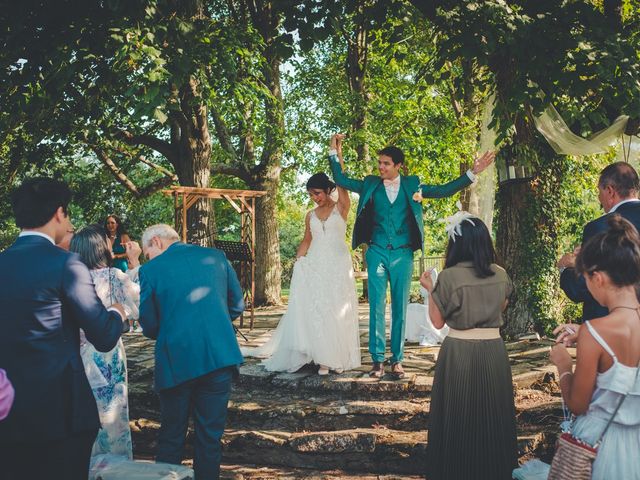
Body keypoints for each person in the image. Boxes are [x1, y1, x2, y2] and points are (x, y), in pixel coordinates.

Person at [328, 133, 494, 379]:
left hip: (403, 254)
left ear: (398, 166)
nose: (380, 167)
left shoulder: (412, 185)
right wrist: (334, 151)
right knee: (376, 305)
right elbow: (340, 178)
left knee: (399, 307)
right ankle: (377, 361)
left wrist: (473, 172)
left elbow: (443, 190)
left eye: (385, 163)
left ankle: (397, 359)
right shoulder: (370, 183)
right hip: (376, 251)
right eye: (379, 163)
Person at [0, 177, 126, 480]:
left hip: (7, 413)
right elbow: (104, 335)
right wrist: (116, 313)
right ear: (59, 213)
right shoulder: (66, 265)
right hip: (60, 411)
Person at [138, 224, 244, 479]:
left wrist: (173, 330)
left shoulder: (151, 269)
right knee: (210, 438)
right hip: (219, 358)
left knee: (171, 436)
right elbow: (237, 304)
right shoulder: (216, 257)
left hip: (177, 361)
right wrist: (212, 324)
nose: (146, 258)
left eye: (146, 252)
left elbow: (149, 324)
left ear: (156, 242)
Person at [419, 213, 517, 480]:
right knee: (493, 415)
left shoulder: (448, 277)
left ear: (456, 243)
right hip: (493, 350)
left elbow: (437, 323)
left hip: (458, 353)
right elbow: (501, 307)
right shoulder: (501, 274)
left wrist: (430, 289)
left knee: (457, 417)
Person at [243, 166, 361, 375]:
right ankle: (320, 356)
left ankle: (335, 357)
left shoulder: (341, 207)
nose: (314, 198)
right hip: (315, 263)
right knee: (317, 309)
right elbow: (307, 240)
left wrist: (337, 155)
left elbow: (341, 180)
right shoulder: (310, 215)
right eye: (311, 194)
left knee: (335, 308)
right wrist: (299, 261)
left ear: (327, 189)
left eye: (317, 193)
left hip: (337, 264)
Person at [550, 215, 640, 480]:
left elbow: (578, 404)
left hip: (606, 450)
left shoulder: (595, 331)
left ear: (598, 278)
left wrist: (564, 365)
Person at [70, 226, 140, 459]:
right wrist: (134, 261)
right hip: (107, 355)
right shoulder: (113, 277)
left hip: (75, 354)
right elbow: (140, 300)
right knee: (112, 414)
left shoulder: (70, 279)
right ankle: (113, 467)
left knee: (81, 411)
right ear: (101, 248)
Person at [558, 162, 640, 324]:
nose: (598, 198)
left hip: (611, 329)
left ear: (610, 191)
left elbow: (581, 288)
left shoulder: (601, 227)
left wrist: (566, 268)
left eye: (599, 192)